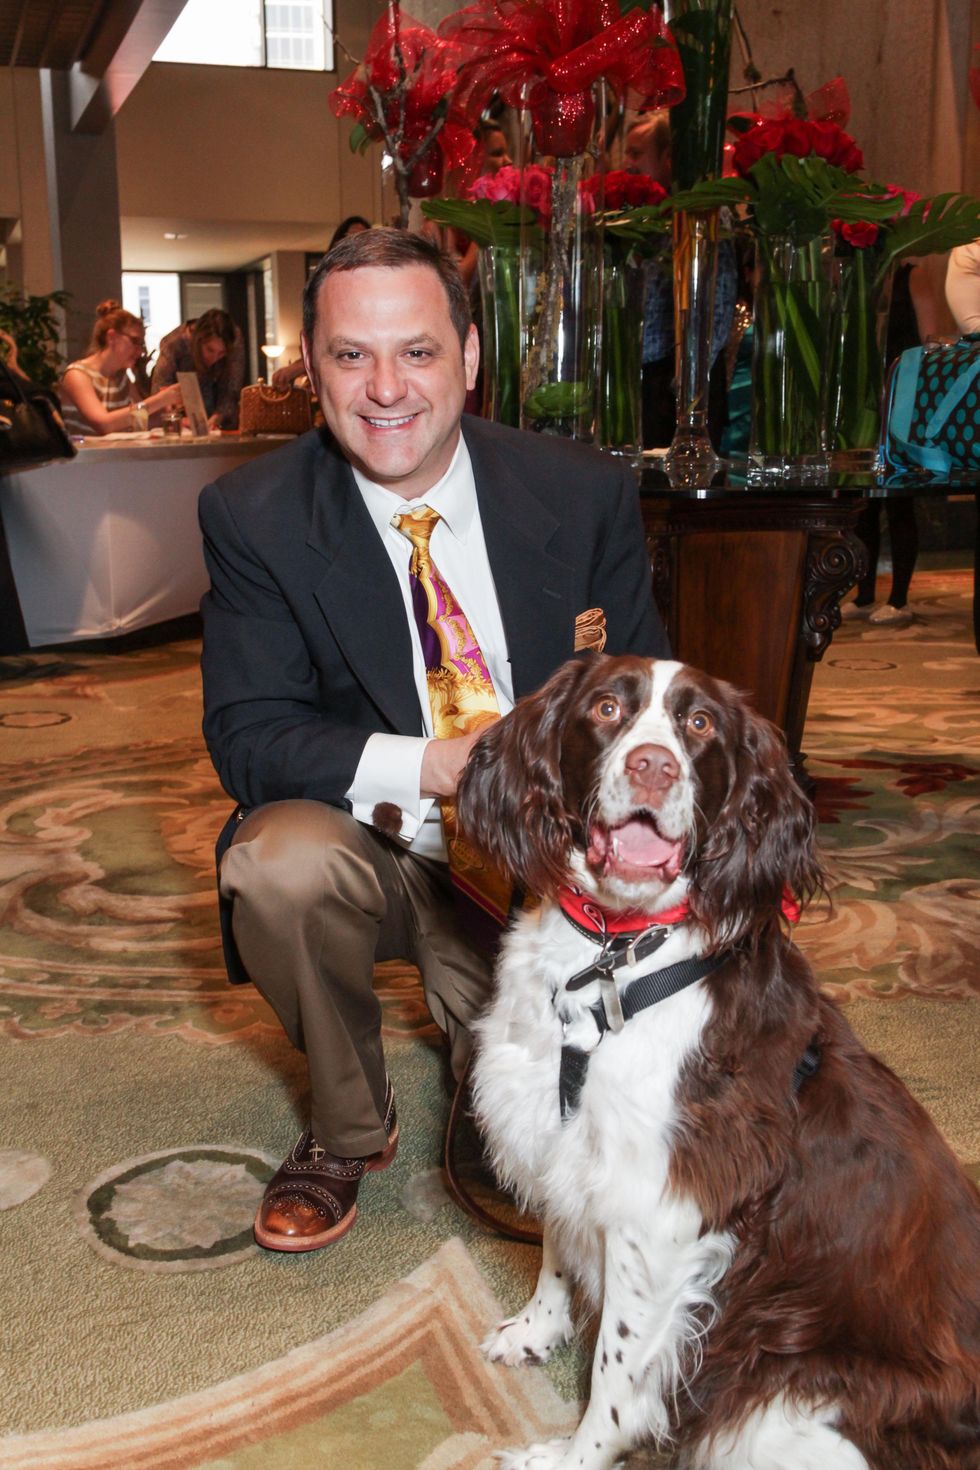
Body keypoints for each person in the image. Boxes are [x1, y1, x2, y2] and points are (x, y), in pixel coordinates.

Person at [199, 227, 669, 1253]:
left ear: (469, 353)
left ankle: (484, 1050)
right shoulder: (254, 514)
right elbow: (247, 735)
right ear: (311, 365)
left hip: (538, 865)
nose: (385, 389)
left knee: (558, 1131)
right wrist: (436, 765)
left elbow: (648, 693)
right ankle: (347, 1128)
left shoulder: (580, 490)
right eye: (350, 355)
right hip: (372, 842)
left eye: (416, 351)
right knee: (276, 865)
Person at [624, 113, 736, 450]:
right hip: (642, 375)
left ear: (667, 157)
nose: (628, 165)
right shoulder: (638, 211)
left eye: (637, 154)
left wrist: (686, 386)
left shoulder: (702, 213)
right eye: (627, 153)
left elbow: (716, 308)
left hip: (678, 381)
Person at [843, 261, 943, 626]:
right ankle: (864, 594)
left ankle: (899, 598)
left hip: (902, 398)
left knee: (899, 501)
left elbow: (930, 340)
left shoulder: (912, 275)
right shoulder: (856, 276)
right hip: (863, 400)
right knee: (864, 502)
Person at [272, 217, 373, 390]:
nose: (354, 245)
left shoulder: (375, 288)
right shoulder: (325, 287)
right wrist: (298, 366)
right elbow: (322, 339)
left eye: (362, 238)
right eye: (348, 237)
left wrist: (298, 367)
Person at [57, 301, 182, 437]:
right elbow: (103, 425)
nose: (140, 351)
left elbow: (140, 421)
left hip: (114, 450)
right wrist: (161, 399)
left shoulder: (121, 378)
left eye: (141, 344)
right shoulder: (77, 374)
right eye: (135, 341)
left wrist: (169, 413)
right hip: (86, 451)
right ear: (112, 337)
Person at [151, 308, 244, 430]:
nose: (214, 358)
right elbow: (160, 392)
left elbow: (231, 389)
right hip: (180, 425)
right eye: (210, 350)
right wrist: (182, 420)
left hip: (222, 426)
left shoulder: (234, 340)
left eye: (222, 353)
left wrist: (216, 418)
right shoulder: (173, 345)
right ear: (197, 340)